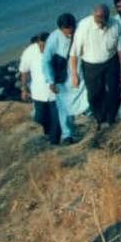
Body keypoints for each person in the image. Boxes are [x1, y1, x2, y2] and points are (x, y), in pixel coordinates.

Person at [70, 3, 121, 128]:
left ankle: (111, 118)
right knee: (94, 94)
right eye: (98, 18)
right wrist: (74, 74)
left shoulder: (115, 25)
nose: (101, 21)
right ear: (93, 15)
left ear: (108, 16)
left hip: (111, 61)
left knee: (115, 92)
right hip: (91, 65)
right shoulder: (83, 27)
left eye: (104, 18)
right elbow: (74, 54)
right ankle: (100, 118)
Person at [41, 13, 84, 145]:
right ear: (61, 28)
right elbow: (46, 61)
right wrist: (51, 81)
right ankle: (67, 135)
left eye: (72, 29)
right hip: (63, 76)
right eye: (67, 31)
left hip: (80, 71)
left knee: (86, 98)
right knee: (64, 106)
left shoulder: (79, 30)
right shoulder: (54, 38)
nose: (70, 33)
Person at [18, 32, 55, 139]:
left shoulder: (56, 48)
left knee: (55, 119)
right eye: (41, 44)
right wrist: (24, 89)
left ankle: (54, 141)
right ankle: (46, 137)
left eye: (45, 44)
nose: (43, 47)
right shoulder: (29, 52)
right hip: (39, 93)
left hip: (55, 92)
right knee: (40, 119)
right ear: (37, 42)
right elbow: (24, 71)